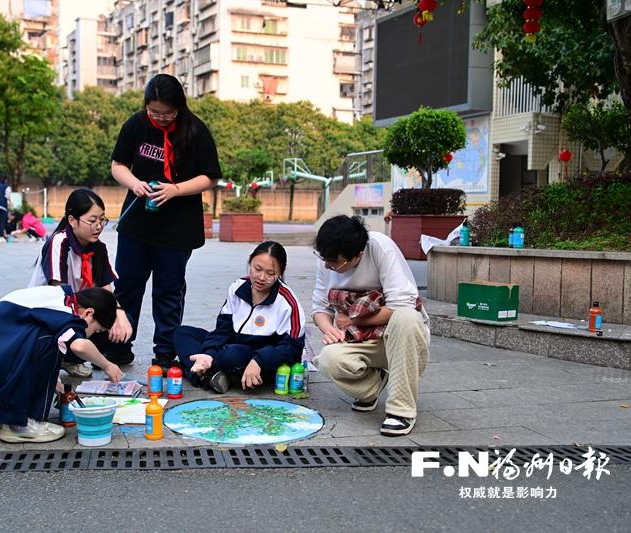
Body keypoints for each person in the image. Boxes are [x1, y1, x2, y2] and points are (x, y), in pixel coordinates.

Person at [110, 73, 222, 371]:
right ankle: (120, 347)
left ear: (179, 106)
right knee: (128, 286)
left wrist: (175, 189)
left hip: (177, 227)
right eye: (154, 112)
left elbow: (210, 175)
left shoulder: (195, 130)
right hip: (137, 221)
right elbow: (118, 165)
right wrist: (134, 183)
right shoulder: (136, 124)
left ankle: (165, 351)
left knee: (169, 290)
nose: (160, 118)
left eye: (167, 113)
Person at [0, 285, 122, 444]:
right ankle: (21, 424)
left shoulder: (54, 297)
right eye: (96, 329)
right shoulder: (65, 309)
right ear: (88, 312)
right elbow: (79, 345)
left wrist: (53, 381)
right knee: (50, 343)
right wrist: (107, 365)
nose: (90, 334)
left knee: (53, 340)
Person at [311, 215, 430, 437]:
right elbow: (319, 307)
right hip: (360, 339)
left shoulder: (381, 248)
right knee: (328, 359)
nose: (328, 265)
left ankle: (401, 410)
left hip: (401, 342)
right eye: (324, 258)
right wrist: (329, 329)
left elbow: (401, 306)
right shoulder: (327, 258)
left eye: (335, 262)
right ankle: (373, 385)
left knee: (407, 317)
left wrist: (355, 320)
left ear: (358, 255)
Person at [173, 241, 305, 393]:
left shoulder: (287, 302)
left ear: (281, 271)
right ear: (250, 261)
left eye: (270, 273)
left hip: (261, 361)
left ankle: (198, 373)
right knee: (182, 333)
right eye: (257, 269)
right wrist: (208, 354)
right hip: (231, 346)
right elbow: (223, 329)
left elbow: (292, 349)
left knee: (230, 354)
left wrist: (260, 360)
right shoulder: (238, 287)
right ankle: (210, 375)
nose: (261, 277)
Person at [28, 189, 134, 377]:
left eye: (102, 220)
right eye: (92, 221)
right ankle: (61, 356)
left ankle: (71, 358)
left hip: (81, 310)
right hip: (52, 313)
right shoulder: (59, 243)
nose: (99, 226)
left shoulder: (98, 248)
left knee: (124, 322)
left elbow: (106, 289)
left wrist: (120, 314)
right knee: (89, 323)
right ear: (72, 220)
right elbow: (58, 294)